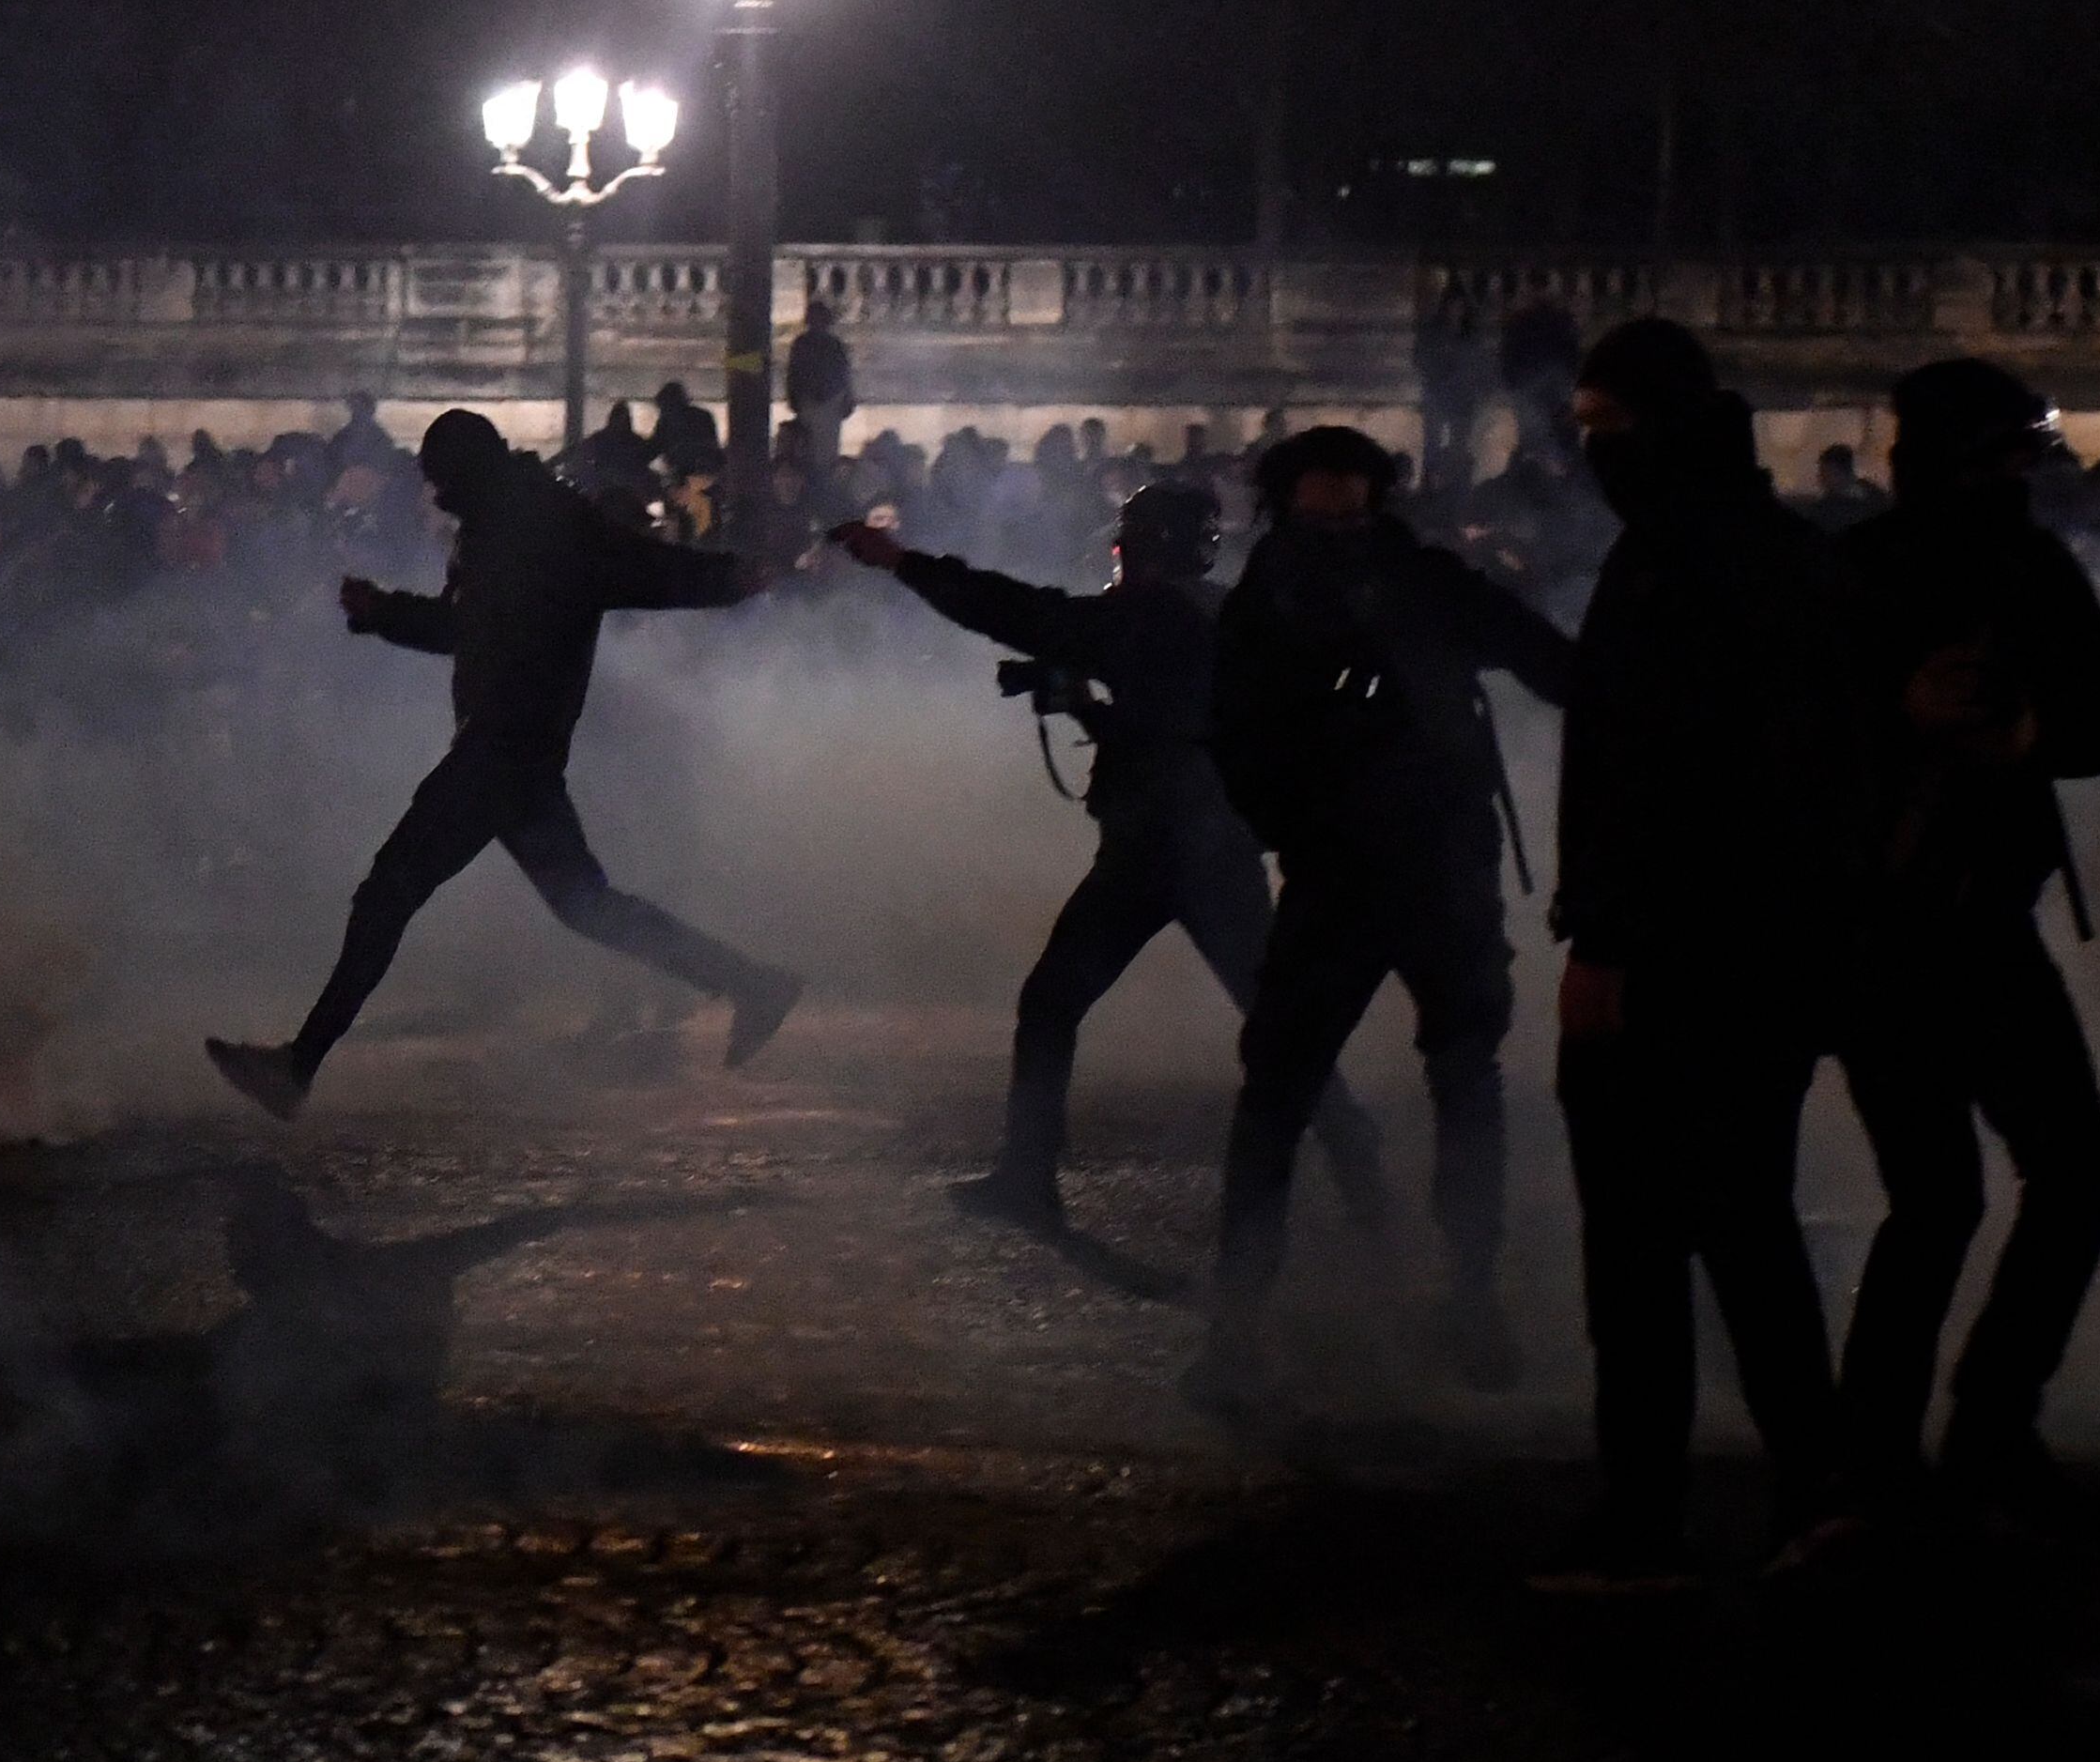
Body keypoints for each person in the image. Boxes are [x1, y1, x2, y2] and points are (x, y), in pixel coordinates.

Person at [829, 481, 1387, 1237]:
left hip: (1163, 849)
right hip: (1207, 845)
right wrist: (1088, 704)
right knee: (1266, 1017)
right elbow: (1172, 719)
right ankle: (1362, 1175)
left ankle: (1030, 1179)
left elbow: (1014, 610)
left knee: (1056, 1003)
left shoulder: (1149, 615)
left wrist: (899, 561)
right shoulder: (1225, 612)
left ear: (1143, 547)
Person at [210, 408, 801, 1119]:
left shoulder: (550, 527)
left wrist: (736, 577)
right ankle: (752, 983)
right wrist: (383, 613)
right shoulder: (495, 529)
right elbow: (467, 631)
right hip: (516, 754)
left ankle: (298, 1066)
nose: (434, 494)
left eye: (441, 479)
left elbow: (652, 568)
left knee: (389, 891)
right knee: (587, 906)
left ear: (468, 471)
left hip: (503, 749)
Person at [1538, 321, 1865, 1589]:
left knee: (1634, 1247)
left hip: (1674, 955)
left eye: (1602, 431)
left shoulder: (1668, 560)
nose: (1590, 457)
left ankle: (1644, 1515)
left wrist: (1607, 940)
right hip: (1777, 955)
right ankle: (1815, 1488)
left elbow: (1651, 769)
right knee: (1748, 1227)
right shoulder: (1791, 554)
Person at [1824, 360, 2100, 1535]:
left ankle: (1972, 1428)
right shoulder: (1855, 579)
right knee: (1948, 1198)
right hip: (1882, 931)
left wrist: (2027, 735)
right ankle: (1895, 1448)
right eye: (2007, 455)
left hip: (1979, 926)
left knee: (2055, 1179)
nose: (2020, 476)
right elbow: (1788, 744)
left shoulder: (2025, 571)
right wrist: (1897, 715)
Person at [1199, 425, 1579, 1399]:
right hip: (1341, 874)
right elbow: (1237, 738)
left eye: (1352, 500)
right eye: (1321, 501)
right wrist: (1302, 825)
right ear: (1288, 503)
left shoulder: (1422, 578)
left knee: (1460, 1079)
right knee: (1280, 1094)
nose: (1338, 518)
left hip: (1443, 867)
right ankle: (1237, 1324)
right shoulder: (1271, 599)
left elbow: (1544, 661)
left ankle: (1471, 1297)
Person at [787, 297, 854, 479]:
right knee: (819, 451)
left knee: (815, 450)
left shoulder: (804, 343)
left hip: (816, 403)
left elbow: (794, 374)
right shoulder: (832, 345)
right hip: (824, 403)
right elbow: (845, 376)